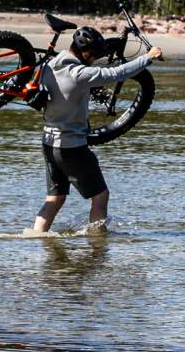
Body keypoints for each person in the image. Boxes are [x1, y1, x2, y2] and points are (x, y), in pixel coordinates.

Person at [28, 26, 161, 234]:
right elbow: (117, 73)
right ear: (86, 53)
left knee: (55, 198)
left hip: (48, 143)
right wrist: (148, 57)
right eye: (94, 56)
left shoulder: (48, 66)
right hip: (71, 148)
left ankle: (36, 237)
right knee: (100, 196)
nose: (95, 60)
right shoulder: (79, 74)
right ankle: (97, 245)